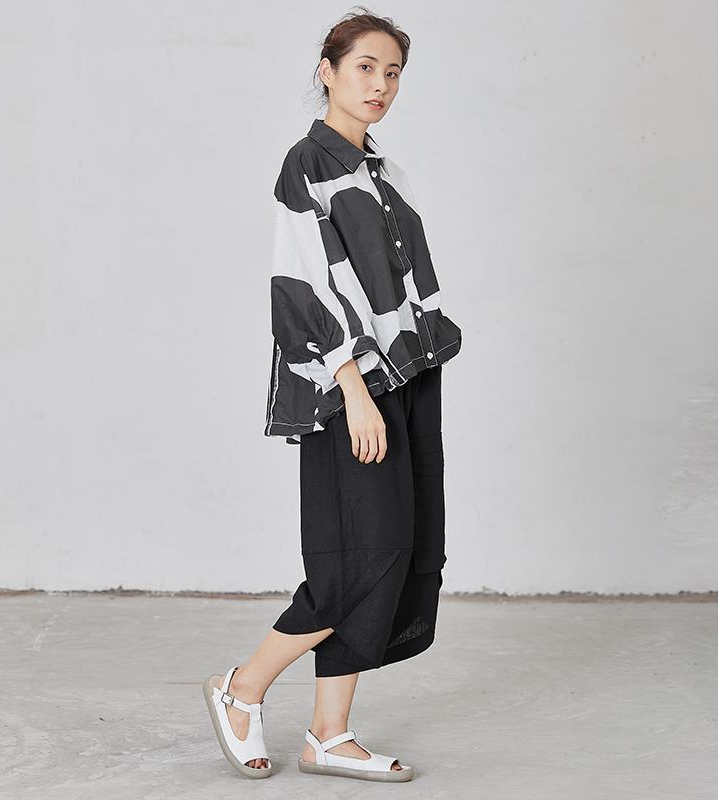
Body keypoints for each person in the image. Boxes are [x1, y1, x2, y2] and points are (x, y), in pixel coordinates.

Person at [204, 8, 463, 782]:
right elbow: (299, 285)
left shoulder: (386, 173)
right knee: (359, 557)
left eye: (393, 73)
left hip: (408, 376)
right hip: (347, 386)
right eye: (365, 68)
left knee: (403, 550)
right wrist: (351, 385)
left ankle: (328, 734)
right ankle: (242, 686)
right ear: (328, 71)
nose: (380, 85)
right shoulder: (306, 164)